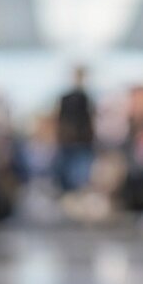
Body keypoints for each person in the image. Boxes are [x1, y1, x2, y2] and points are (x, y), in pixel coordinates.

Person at [54, 66, 96, 194]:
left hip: (83, 142)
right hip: (69, 142)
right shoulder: (67, 98)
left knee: (82, 176)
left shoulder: (86, 98)